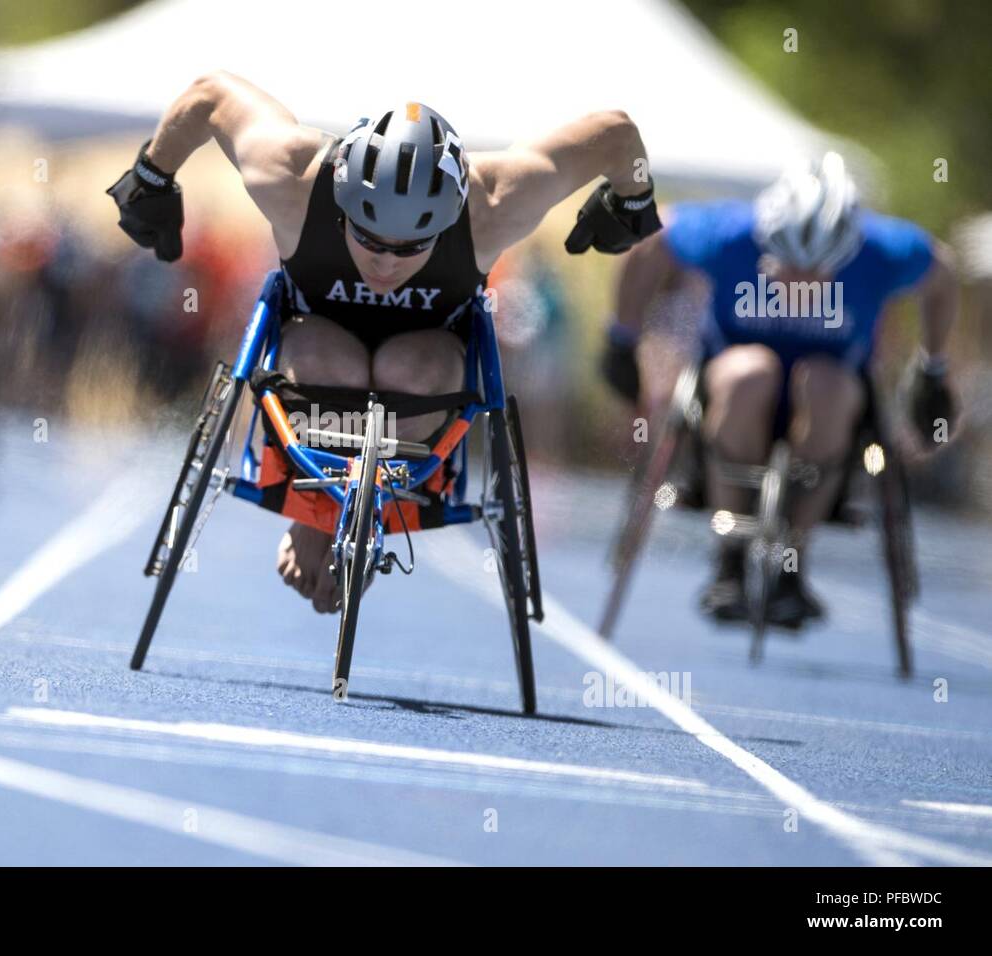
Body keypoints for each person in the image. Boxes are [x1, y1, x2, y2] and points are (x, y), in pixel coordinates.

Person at [108, 70, 661, 612]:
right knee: (328, 357)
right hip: (316, 345)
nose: (384, 261)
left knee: (412, 366)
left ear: (447, 223)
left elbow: (615, 132)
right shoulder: (293, 176)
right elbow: (210, 95)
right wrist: (152, 174)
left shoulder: (494, 202)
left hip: (427, 357)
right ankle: (314, 511)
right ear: (341, 198)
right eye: (368, 237)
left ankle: (375, 511)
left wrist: (632, 201)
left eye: (409, 248)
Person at [601, 152, 960, 629]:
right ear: (766, 243)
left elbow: (942, 271)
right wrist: (621, 339)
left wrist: (933, 369)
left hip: (829, 405)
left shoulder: (882, 250)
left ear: (847, 254)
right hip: (734, 397)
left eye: (819, 272)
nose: (801, 282)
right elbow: (653, 238)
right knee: (752, 372)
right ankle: (731, 557)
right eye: (787, 266)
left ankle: (790, 564)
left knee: (826, 381)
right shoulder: (729, 234)